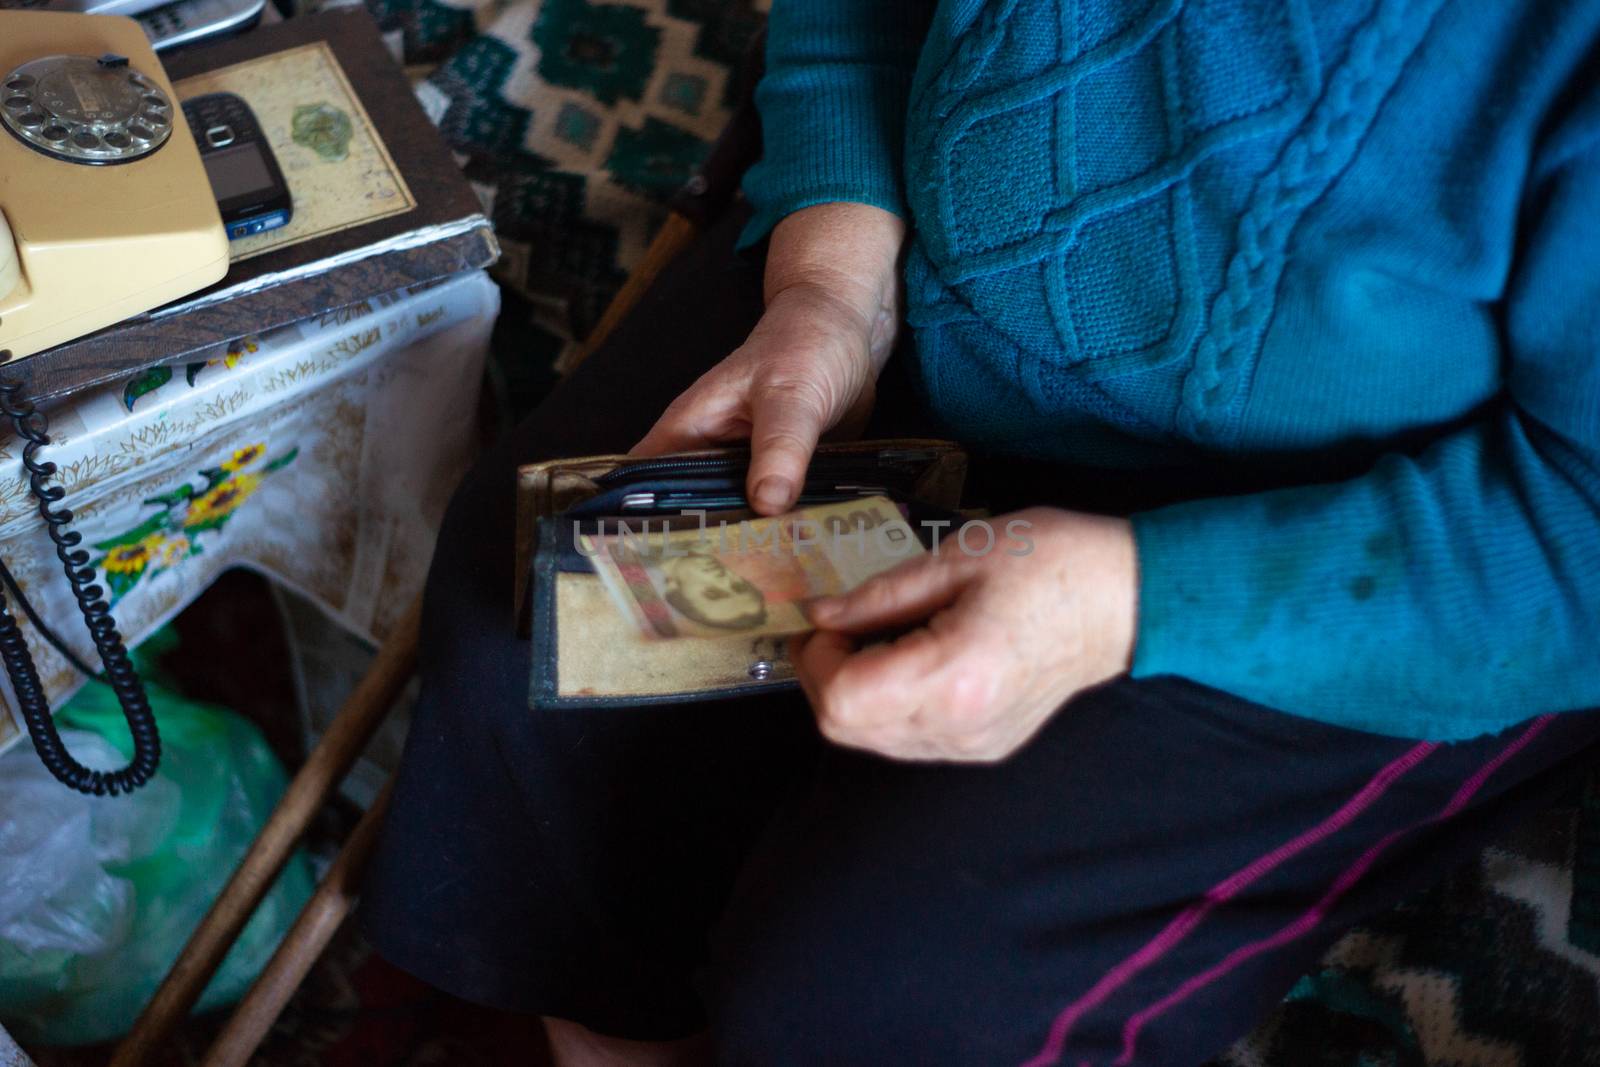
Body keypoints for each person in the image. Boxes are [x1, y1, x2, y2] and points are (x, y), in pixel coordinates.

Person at [362, 2, 1600, 1063]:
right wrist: (828, 278)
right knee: (528, 614)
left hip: (1402, 545)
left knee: (890, 977)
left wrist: (1131, 600)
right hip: (916, 278)